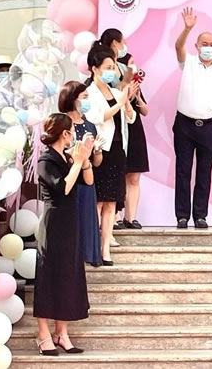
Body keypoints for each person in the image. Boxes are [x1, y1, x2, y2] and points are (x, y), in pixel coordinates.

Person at [35, 113, 93, 356]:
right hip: (54, 222)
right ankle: (43, 334)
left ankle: (62, 333)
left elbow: (88, 181)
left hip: (70, 221)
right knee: (49, 275)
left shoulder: (67, 158)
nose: (75, 135)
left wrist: (84, 159)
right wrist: (77, 161)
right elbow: (63, 188)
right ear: (65, 133)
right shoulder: (46, 160)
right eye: (72, 131)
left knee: (68, 273)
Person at [173, 7, 212, 229]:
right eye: (205, 44)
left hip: (209, 127)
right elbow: (178, 46)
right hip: (184, 125)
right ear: (197, 46)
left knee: (204, 172)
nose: (208, 48)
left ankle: (200, 215)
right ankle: (182, 216)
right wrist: (187, 28)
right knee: (183, 170)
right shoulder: (188, 62)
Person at [85, 47, 136, 266]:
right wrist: (120, 103)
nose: (112, 71)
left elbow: (131, 119)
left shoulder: (116, 93)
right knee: (98, 202)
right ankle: (92, 248)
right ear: (94, 69)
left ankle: (105, 249)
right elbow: (98, 117)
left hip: (117, 151)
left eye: (113, 67)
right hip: (100, 151)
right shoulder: (88, 93)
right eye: (107, 67)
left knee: (111, 203)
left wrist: (127, 102)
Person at [59, 81, 105, 267]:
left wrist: (97, 151)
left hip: (87, 179)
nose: (87, 101)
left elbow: (97, 162)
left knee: (87, 220)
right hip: (68, 180)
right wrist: (78, 148)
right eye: (84, 97)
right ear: (73, 99)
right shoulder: (61, 123)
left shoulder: (90, 126)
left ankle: (88, 255)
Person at [118, 53, 149, 229]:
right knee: (119, 175)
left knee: (134, 176)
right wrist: (126, 95)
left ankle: (131, 218)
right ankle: (115, 217)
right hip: (120, 131)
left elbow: (145, 111)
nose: (134, 67)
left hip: (135, 131)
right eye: (130, 64)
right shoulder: (116, 85)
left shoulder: (135, 85)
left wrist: (136, 96)